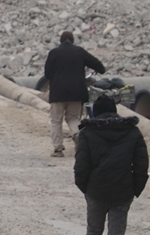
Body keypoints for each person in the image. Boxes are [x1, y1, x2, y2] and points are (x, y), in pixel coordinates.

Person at [73, 96, 149, 235]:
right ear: (115, 111)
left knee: (93, 233)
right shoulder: (132, 132)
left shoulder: (87, 133)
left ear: (95, 112)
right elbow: (142, 165)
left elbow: (81, 166)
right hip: (122, 192)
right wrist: (135, 189)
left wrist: (86, 189)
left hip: (96, 192)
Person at [43, 30, 106, 158]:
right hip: (77, 93)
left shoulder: (54, 53)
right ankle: (77, 134)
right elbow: (98, 65)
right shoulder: (79, 52)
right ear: (73, 41)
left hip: (58, 93)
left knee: (56, 120)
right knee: (73, 119)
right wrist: (100, 70)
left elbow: (47, 74)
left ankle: (58, 149)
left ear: (60, 41)